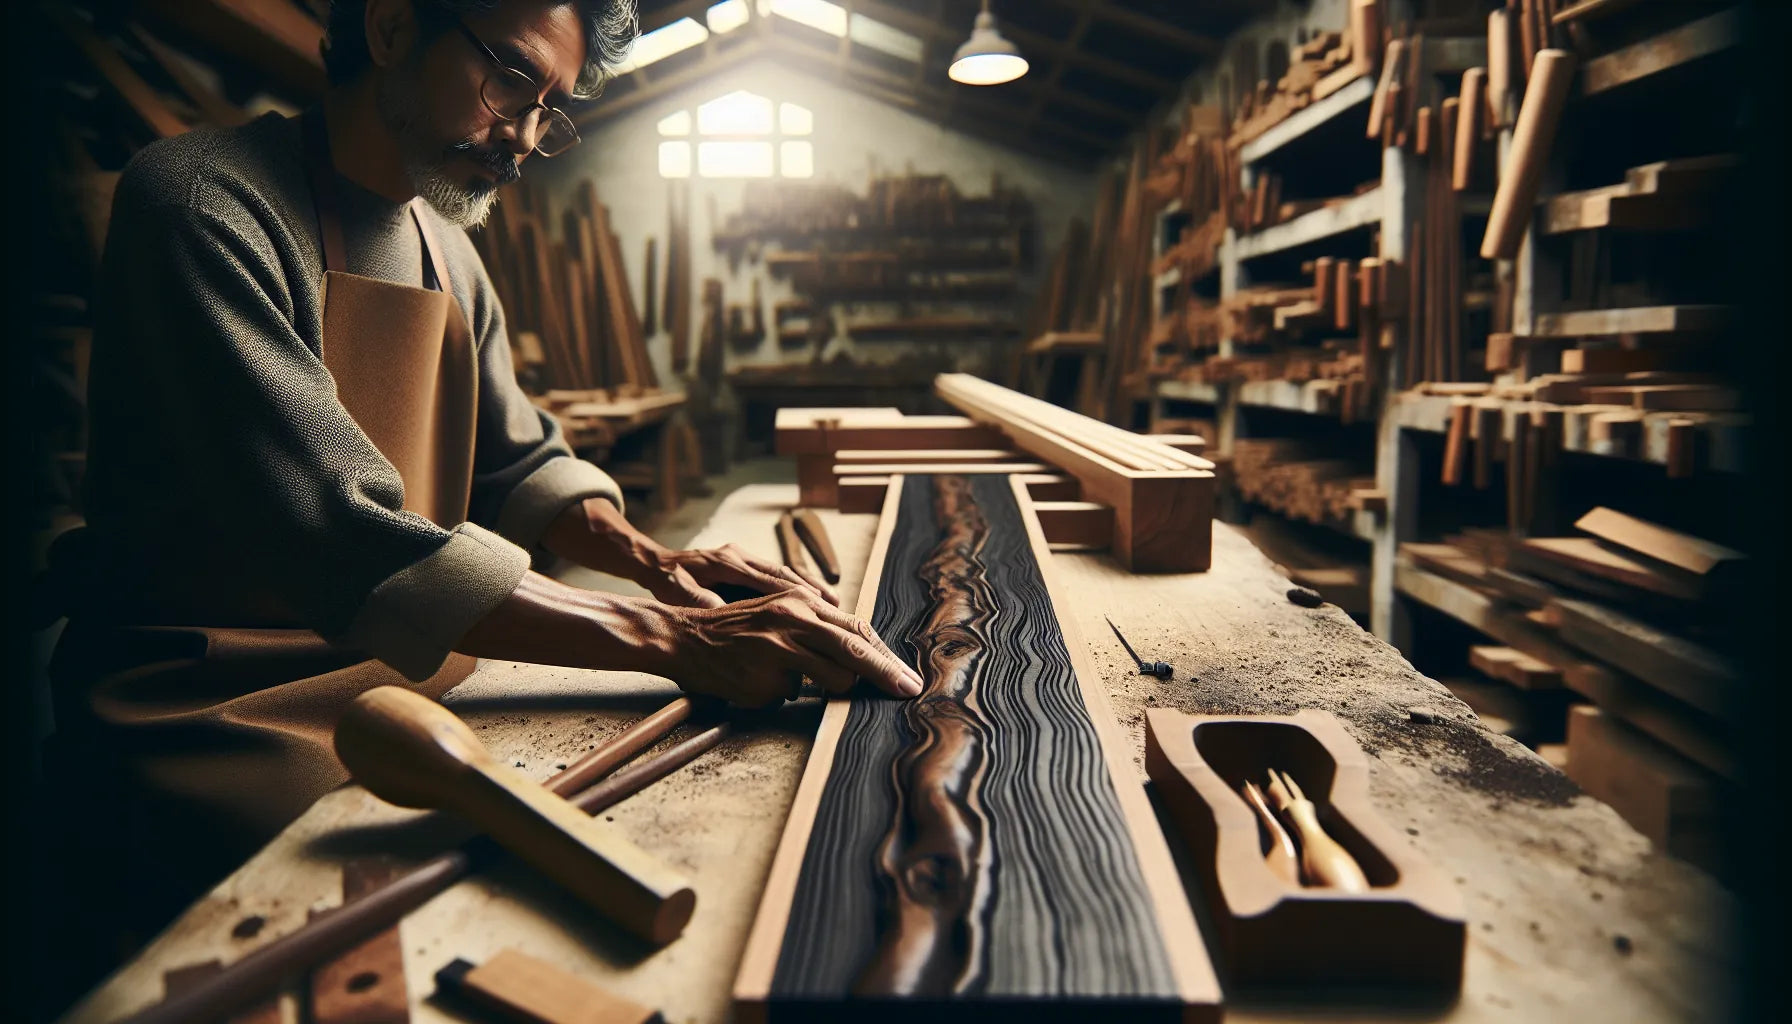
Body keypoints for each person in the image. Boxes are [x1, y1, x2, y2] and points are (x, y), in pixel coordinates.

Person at [44, 0, 923, 921]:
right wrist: (673, 639)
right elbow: (340, 524)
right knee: (420, 910)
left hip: (410, 668)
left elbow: (519, 461)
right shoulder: (200, 201)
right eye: (511, 80)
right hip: (208, 704)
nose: (526, 135)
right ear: (390, 28)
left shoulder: (447, 245)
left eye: (551, 106)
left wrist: (662, 568)